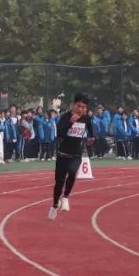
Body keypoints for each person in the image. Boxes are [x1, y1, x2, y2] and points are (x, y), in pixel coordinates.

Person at [47, 93, 95, 221]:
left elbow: (91, 130)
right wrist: (71, 122)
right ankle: (55, 204)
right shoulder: (65, 117)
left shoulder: (86, 118)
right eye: (79, 106)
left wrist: (91, 138)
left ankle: (66, 197)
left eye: (84, 107)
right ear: (73, 105)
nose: (81, 109)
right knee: (59, 182)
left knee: (73, 172)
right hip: (63, 154)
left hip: (76, 154)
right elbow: (60, 133)